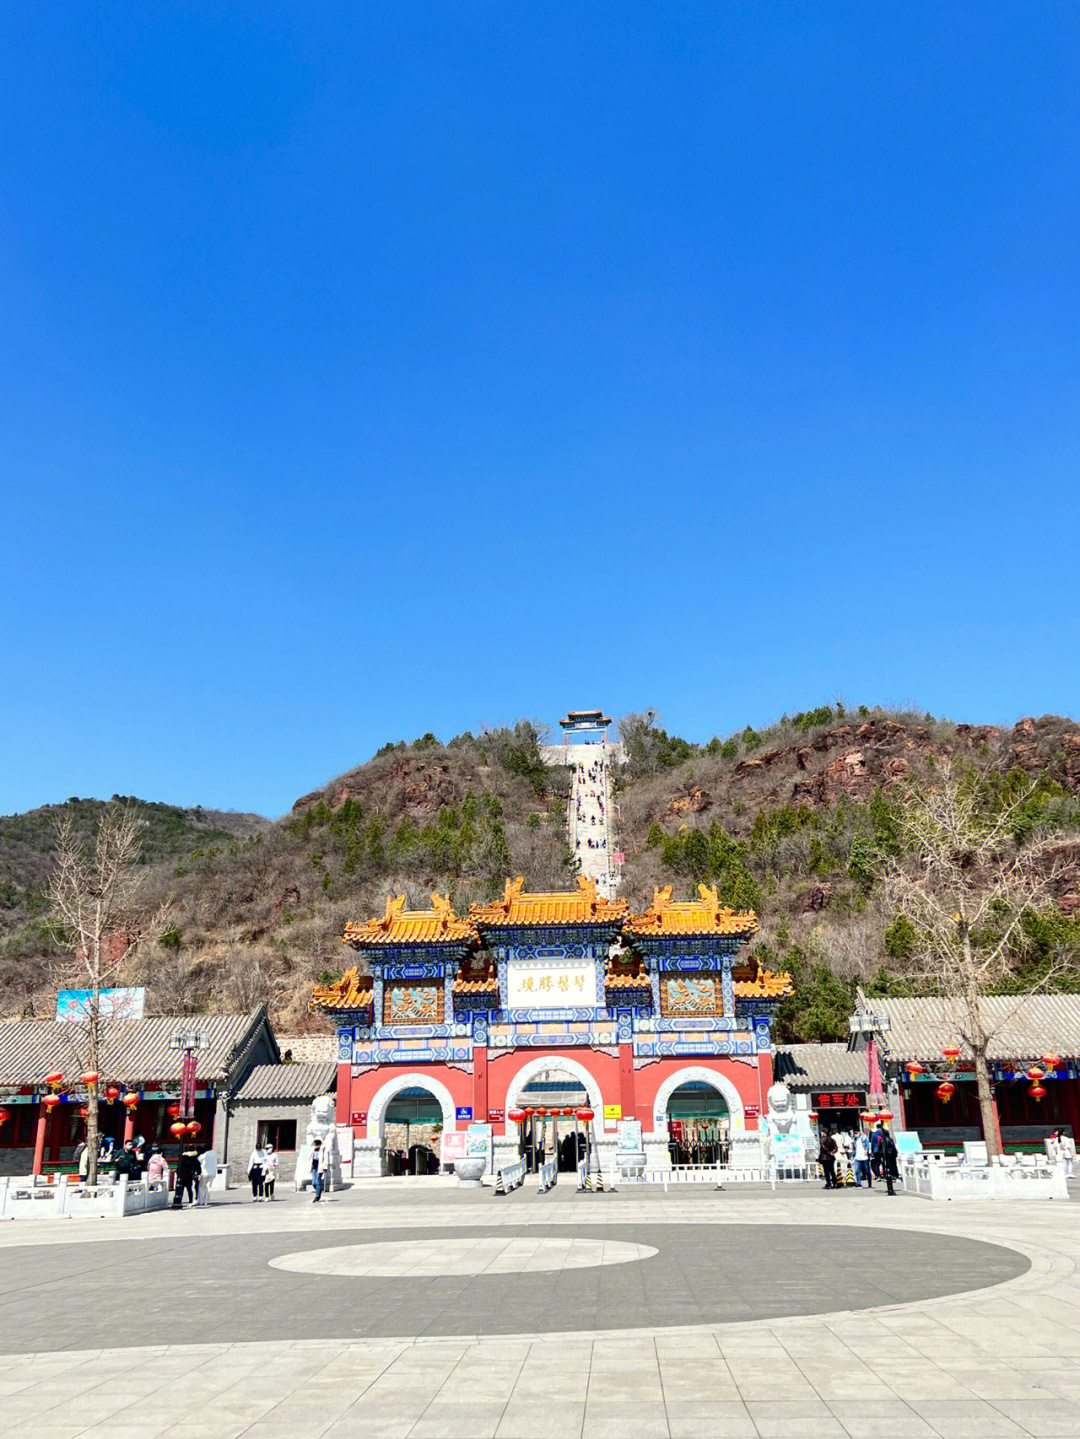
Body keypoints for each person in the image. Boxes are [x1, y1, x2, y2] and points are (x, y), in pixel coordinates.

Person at [877, 1124, 900, 1196]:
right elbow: (893, 1147)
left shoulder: (882, 1140)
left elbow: (880, 1148)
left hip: (886, 1155)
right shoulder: (890, 1139)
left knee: (886, 1165)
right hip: (891, 1154)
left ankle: (888, 1176)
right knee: (893, 1165)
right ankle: (894, 1176)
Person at [309, 1138, 330, 1202]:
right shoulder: (312, 1149)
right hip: (314, 1167)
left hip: (320, 1167)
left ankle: (317, 1196)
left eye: (318, 1143)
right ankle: (319, 1190)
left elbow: (326, 1158)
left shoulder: (323, 1149)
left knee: (318, 1181)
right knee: (314, 1183)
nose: (317, 1144)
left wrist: (325, 1167)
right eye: (316, 1143)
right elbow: (310, 1158)